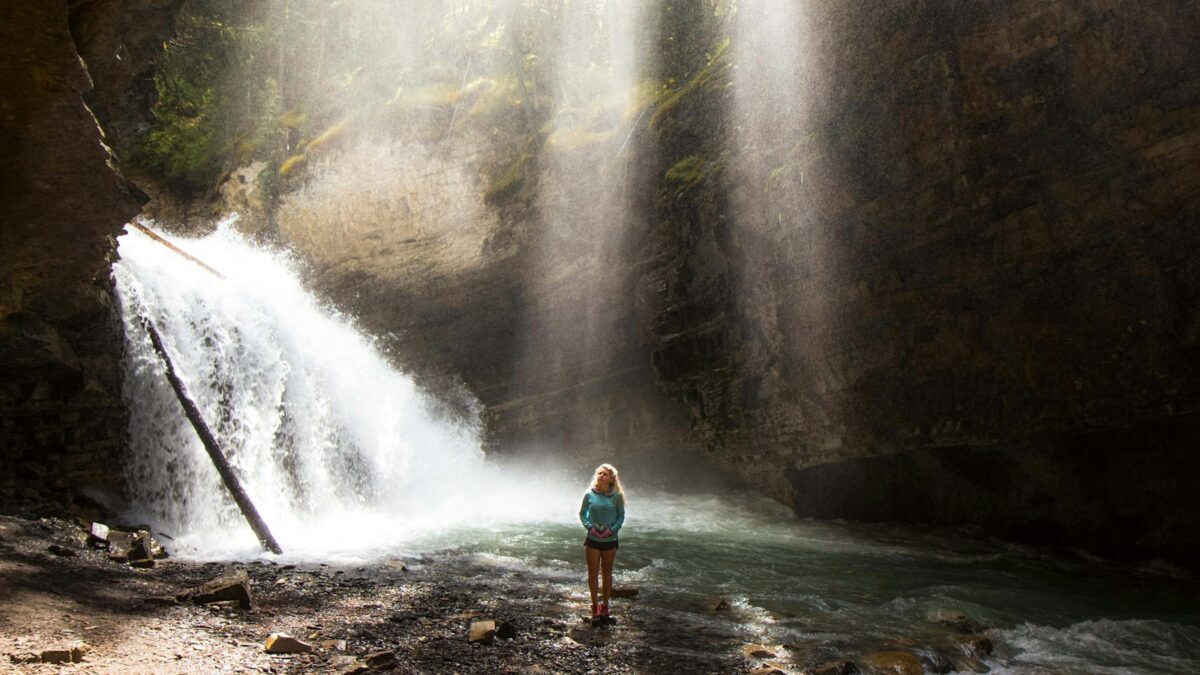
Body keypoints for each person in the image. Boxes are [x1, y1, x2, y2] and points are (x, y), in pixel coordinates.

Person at [579, 463, 625, 621]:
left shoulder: (617, 496)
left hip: (610, 540)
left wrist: (611, 530)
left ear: (611, 478)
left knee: (606, 573)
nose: (601, 476)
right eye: (599, 473)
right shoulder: (589, 495)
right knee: (592, 573)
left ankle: (605, 605)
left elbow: (621, 516)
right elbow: (582, 514)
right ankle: (594, 606)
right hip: (592, 540)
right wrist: (589, 527)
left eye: (605, 474)